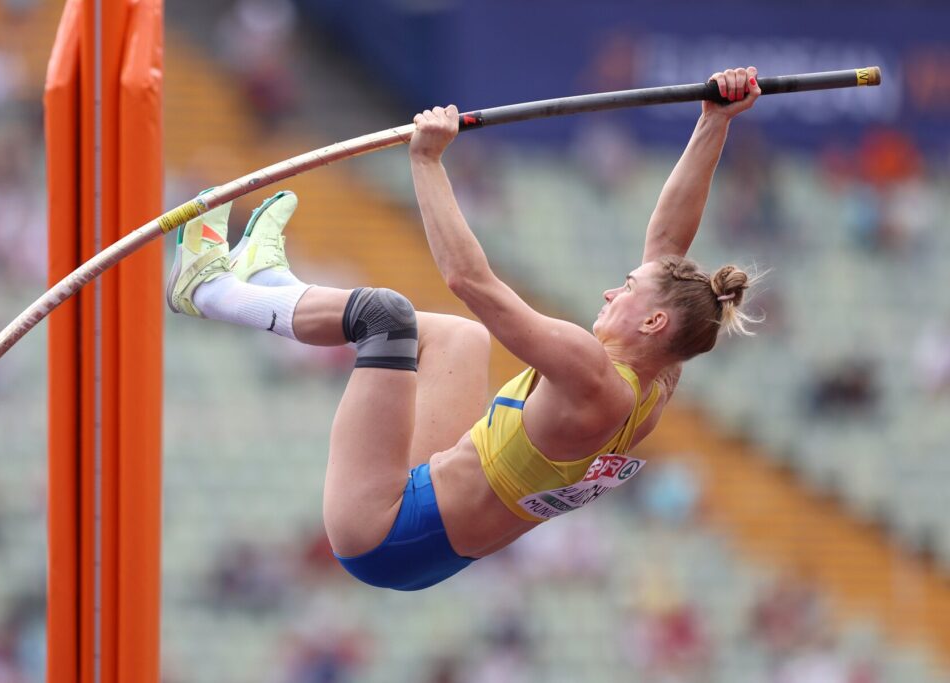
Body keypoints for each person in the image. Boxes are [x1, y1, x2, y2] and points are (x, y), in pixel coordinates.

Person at [167, 67, 763, 591]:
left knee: (387, 318)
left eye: (628, 290)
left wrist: (425, 161)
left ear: (655, 321)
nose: (613, 290)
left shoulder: (592, 373)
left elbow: (470, 280)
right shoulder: (659, 380)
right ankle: (268, 282)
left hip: (383, 533)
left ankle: (210, 290)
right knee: (460, 339)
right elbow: (665, 246)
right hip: (433, 532)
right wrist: (714, 121)